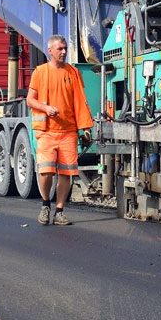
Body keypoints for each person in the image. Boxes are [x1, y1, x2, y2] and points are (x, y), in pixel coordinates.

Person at [26, 34, 94, 225]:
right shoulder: (40, 72)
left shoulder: (73, 73)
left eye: (65, 48)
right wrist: (46, 108)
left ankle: (59, 211)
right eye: (60, 49)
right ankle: (45, 204)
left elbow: (80, 102)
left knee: (66, 173)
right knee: (46, 172)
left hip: (68, 132)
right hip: (46, 131)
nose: (64, 52)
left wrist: (85, 128)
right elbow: (30, 100)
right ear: (50, 51)